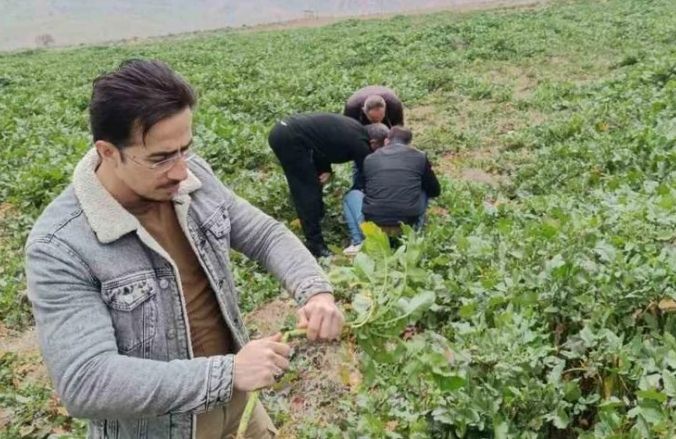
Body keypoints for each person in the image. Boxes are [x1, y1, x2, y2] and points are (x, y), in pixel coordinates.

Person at [24, 59, 345, 439]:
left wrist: (315, 291)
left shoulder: (194, 178)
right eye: (160, 158)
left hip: (239, 403)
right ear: (108, 152)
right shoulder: (60, 245)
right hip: (164, 427)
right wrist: (226, 373)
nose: (180, 171)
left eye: (185, 150)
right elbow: (86, 382)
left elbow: (264, 234)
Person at [268, 112, 388, 257]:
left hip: (289, 132)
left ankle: (315, 215)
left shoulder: (355, 130)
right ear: (373, 142)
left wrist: (326, 169)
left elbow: (322, 143)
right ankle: (315, 244)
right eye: (377, 150)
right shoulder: (360, 144)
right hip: (289, 139)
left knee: (314, 182)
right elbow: (369, 176)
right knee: (306, 189)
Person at [343, 127, 441, 255]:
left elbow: (365, 188)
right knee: (424, 188)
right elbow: (435, 191)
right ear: (409, 143)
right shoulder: (420, 157)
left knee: (351, 195)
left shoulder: (370, 158)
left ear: (386, 141)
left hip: (374, 226)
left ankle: (359, 242)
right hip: (406, 226)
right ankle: (414, 234)